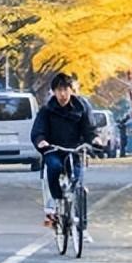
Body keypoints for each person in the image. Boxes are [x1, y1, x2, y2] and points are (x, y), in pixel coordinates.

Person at [31, 72, 99, 228]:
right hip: (53, 150)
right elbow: (38, 131)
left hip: (75, 150)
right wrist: (41, 141)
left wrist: (95, 139)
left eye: (65, 89)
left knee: (77, 180)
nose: (63, 94)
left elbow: (90, 129)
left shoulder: (82, 107)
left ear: (71, 90)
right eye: (59, 90)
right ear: (53, 92)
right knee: (54, 168)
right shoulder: (47, 110)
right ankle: (56, 204)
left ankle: (80, 223)